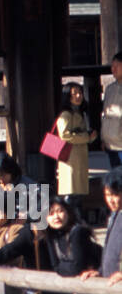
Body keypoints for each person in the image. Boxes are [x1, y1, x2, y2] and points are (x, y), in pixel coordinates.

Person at [80, 168, 122, 294]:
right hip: (111, 286)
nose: (111, 200)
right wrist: (100, 271)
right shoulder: (114, 215)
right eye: (107, 195)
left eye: (115, 194)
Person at [54, 82, 96, 210]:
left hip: (77, 156)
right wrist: (87, 137)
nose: (78, 96)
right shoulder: (66, 114)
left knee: (76, 190)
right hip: (70, 158)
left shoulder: (78, 112)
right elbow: (65, 135)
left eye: (80, 93)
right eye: (74, 94)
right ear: (68, 96)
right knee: (71, 190)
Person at [0, 151, 41, 224]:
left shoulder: (29, 186)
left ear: (11, 171)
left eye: (3, 175)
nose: (0, 179)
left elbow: (41, 208)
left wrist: (26, 217)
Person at [100, 54, 122, 170]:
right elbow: (105, 115)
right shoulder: (109, 89)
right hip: (110, 143)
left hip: (120, 143)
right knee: (115, 179)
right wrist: (103, 138)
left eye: (117, 66)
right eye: (112, 66)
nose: (113, 69)